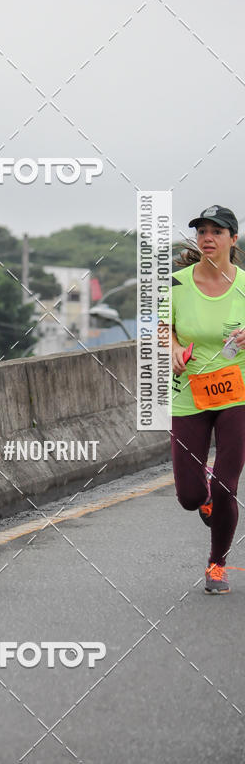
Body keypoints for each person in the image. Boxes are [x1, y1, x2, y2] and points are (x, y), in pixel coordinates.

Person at [171, 205, 245, 594]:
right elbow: (160, 328)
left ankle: (217, 565)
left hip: (238, 392)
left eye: (217, 231)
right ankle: (204, 497)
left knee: (225, 486)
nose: (207, 238)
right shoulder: (175, 284)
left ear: (233, 239)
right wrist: (171, 348)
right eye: (202, 231)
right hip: (189, 391)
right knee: (190, 495)